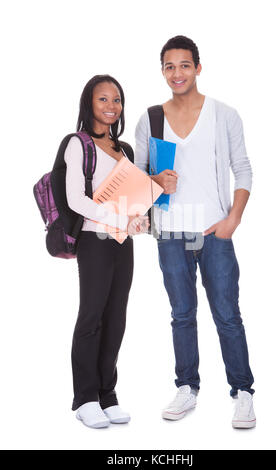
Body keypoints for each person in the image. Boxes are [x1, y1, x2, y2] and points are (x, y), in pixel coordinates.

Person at [135, 36, 255, 428]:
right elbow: (136, 179)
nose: (177, 73)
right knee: (181, 315)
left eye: (184, 65)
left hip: (214, 231)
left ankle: (243, 392)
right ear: (162, 71)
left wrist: (232, 220)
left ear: (198, 68)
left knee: (227, 315)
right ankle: (187, 387)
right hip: (170, 233)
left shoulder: (224, 115)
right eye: (169, 66)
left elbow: (244, 169)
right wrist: (155, 179)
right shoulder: (150, 118)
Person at [65, 75, 149, 429]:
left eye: (117, 100)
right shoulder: (77, 144)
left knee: (116, 317)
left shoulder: (125, 150)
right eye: (103, 100)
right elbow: (76, 199)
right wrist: (117, 216)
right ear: (90, 104)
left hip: (122, 242)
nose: (111, 106)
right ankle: (85, 397)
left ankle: (106, 394)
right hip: (94, 241)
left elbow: (133, 198)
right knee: (92, 317)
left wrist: (140, 218)